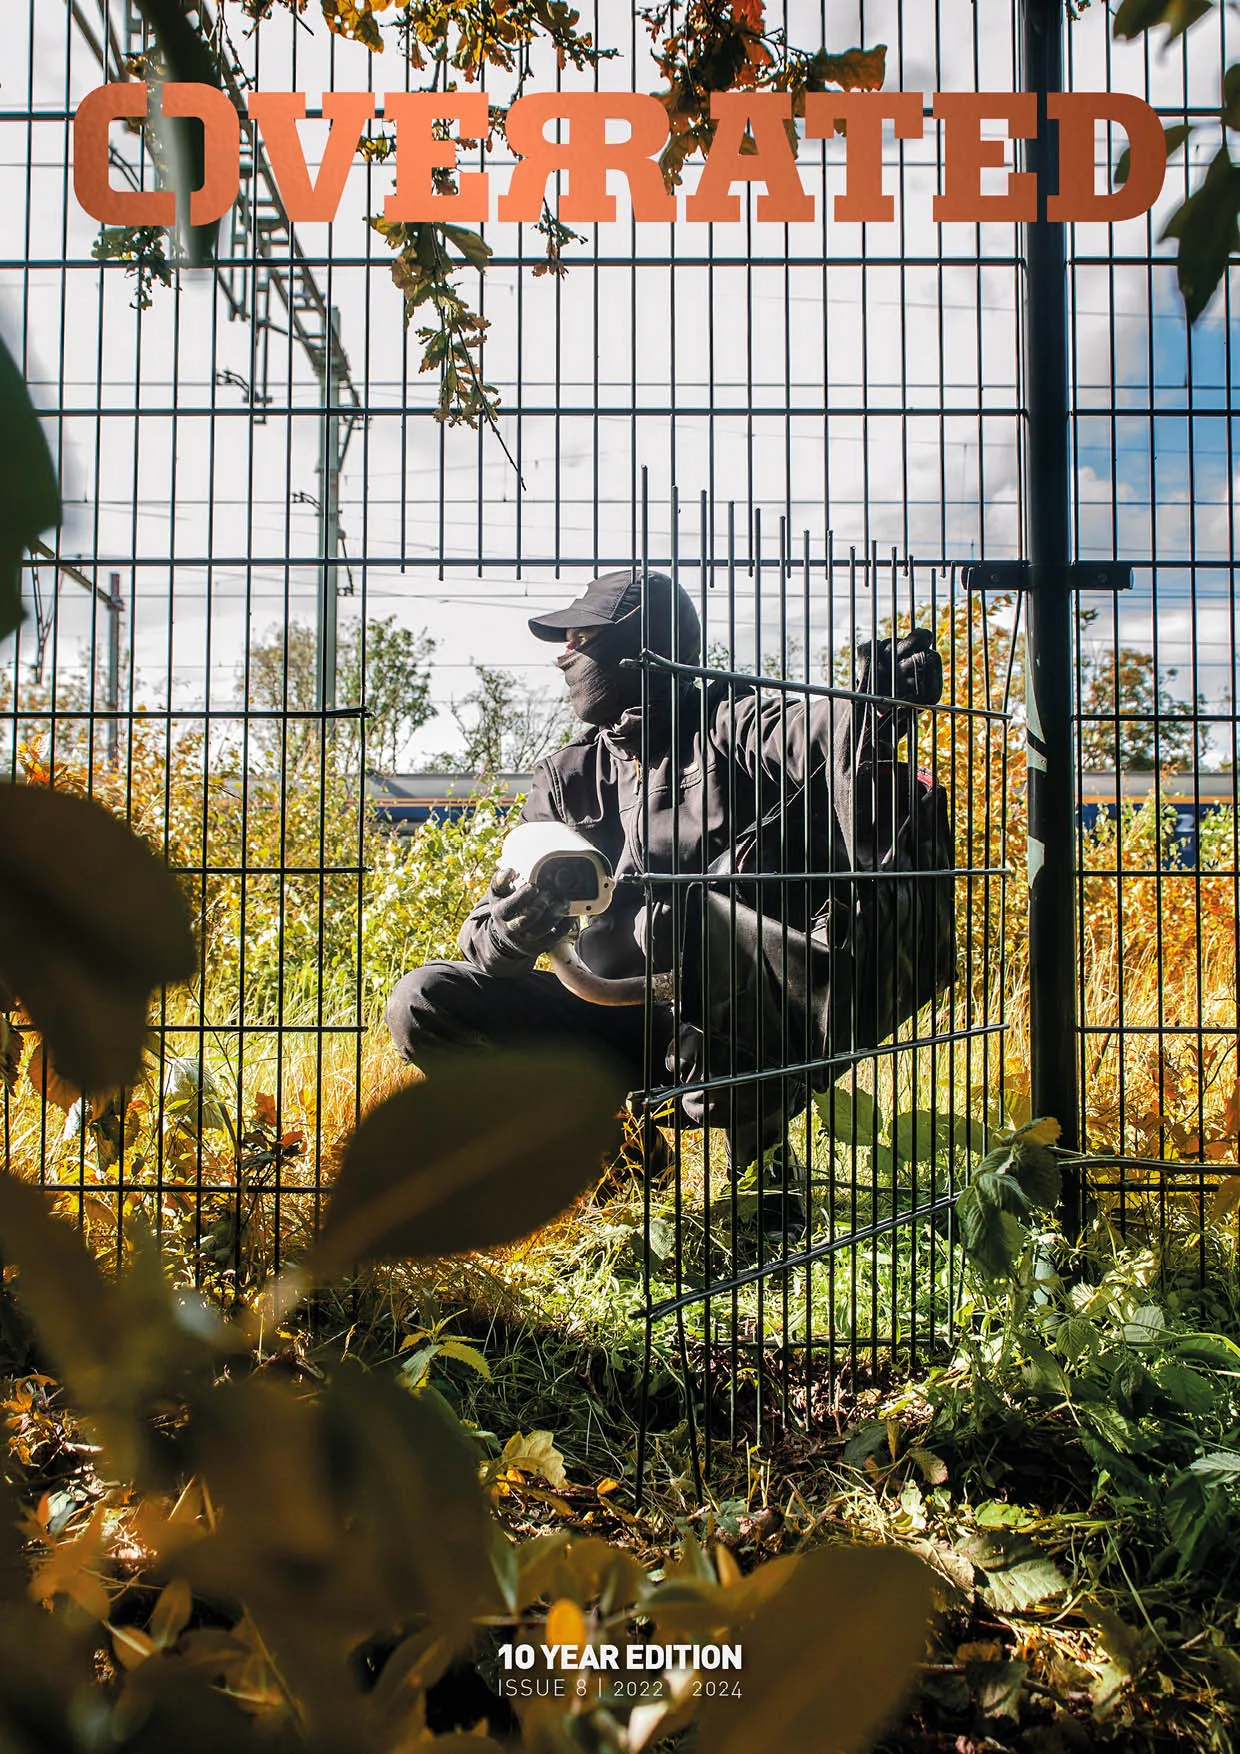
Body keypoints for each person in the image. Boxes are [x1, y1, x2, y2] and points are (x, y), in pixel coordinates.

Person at [385, 567, 943, 1240]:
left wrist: (871, 707)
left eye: (579, 639)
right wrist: (509, 929)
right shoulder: (567, 776)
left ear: (634, 648)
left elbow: (805, 732)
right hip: (606, 1011)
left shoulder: (727, 719)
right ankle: (619, 1152)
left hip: (728, 1016)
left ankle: (764, 1178)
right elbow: (482, 932)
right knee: (421, 1001)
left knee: (723, 946)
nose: (563, 656)